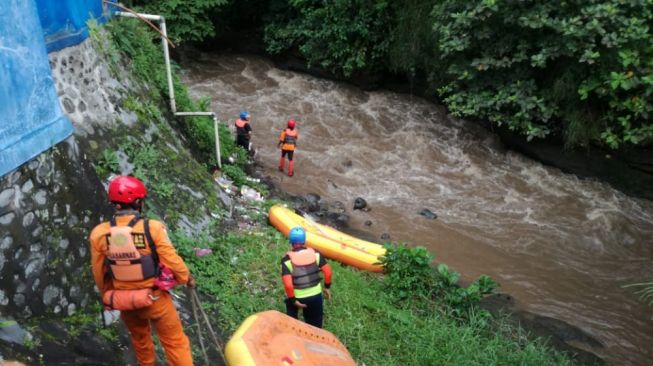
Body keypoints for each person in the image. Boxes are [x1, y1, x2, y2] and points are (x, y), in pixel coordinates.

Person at [89, 176, 195, 366]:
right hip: (155, 300)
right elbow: (171, 259)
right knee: (175, 342)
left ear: (115, 204)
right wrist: (186, 278)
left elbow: (99, 272)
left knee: (140, 341)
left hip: (125, 301)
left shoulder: (99, 234)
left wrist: (108, 293)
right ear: (138, 202)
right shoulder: (152, 228)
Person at [280, 227, 332, 328]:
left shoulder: (286, 260)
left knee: (291, 316)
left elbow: (288, 285)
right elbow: (328, 272)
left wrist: (293, 300)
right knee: (315, 326)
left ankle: (292, 329)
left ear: (291, 241)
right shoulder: (316, 253)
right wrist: (327, 287)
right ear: (304, 241)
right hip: (316, 296)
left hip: (298, 297)